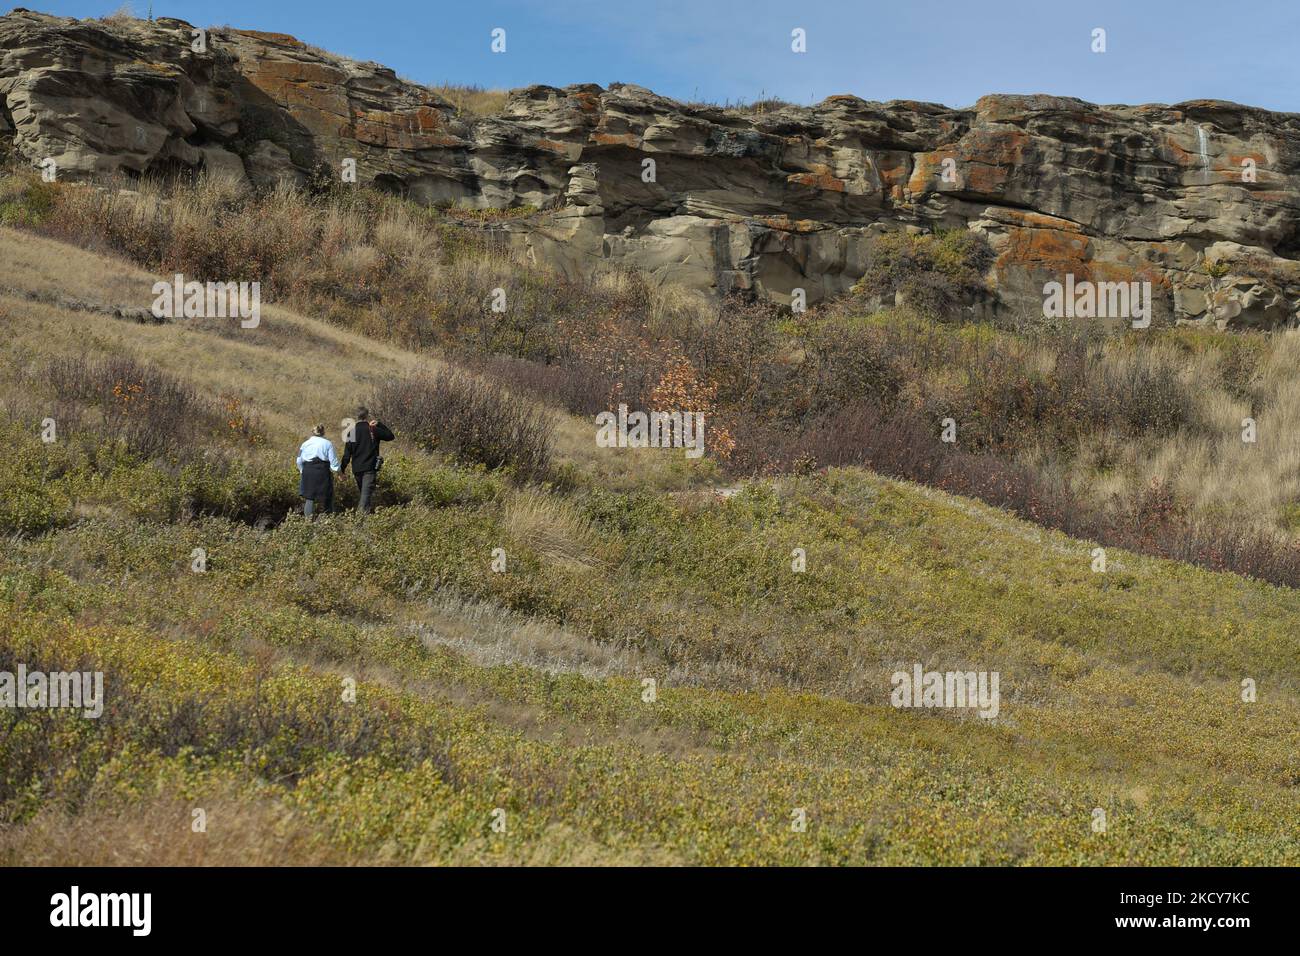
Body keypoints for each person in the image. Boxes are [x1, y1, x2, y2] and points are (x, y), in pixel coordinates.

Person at [340, 407, 395, 515]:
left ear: (356, 417)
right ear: (367, 416)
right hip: (369, 469)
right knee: (365, 496)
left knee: (365, 495)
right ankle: (359, 520)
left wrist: (342, 470)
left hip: (357, 469)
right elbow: (390, 436)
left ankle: (367, 518)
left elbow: (346, 455)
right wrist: (379, 424)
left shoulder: (351, 432)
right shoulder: (373, 429)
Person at [296, 424, 340, 519]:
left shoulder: (305, 444)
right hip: (322, 471)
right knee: (327, 496)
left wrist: (302, 471)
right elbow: (334, 462)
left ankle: (308, 522)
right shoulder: (328, 444)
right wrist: (339, 472)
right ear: (323, 432)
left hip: (308, 470)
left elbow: (299, 460)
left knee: (309, 497)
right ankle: (327, 520)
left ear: (312, 432)